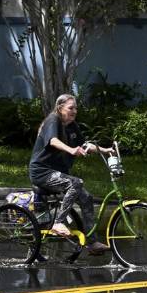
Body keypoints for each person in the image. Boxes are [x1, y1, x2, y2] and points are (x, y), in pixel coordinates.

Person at [29, 94, 113, 255]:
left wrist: (104, 150)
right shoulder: (53, 120)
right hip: (42, 172)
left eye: (76, 108)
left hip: (58, 173)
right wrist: (71, 150)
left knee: (86, 198)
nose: (74, 111)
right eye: (71, 108)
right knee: (76, 182)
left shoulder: (72, 125)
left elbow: (85, 145)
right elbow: (53, 141)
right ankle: (58, 223)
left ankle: (92, 242)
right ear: (60, 108)